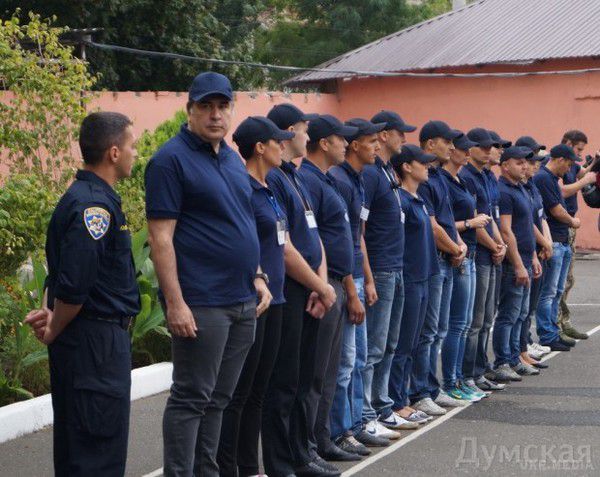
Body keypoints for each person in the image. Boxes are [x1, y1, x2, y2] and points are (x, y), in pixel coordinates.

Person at [145, 72, 272, 477]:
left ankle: (207, 471)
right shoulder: (169, 160)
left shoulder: (232, 159)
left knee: (219, 398)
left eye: (222, 106)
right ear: (190, 110)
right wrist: (176, 303)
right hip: (202, 302)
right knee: (190, 398)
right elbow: (161, 237)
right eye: (206, 106)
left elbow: (243, 222)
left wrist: (256, 274)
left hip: (241, 299)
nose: (215, 115)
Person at [25, 112, 141, 476]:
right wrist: (54, 328)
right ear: (113, 152)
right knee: (96, 450)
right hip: (95, 345)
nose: (135, 153)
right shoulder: (94, 208)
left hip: (92, 341)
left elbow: (61, 272)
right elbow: (74, 288)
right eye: (132, 145)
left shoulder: (86, 198)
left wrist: (51, 313)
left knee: (85, 445)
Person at [262, 106, 339, 477]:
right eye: (306, 130)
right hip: (292, 292)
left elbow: (314, 236)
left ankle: (302, 452)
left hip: (310, 289)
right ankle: (282, 463)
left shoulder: (295, 176)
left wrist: (321, 282)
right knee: (285, 383)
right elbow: (285, 244)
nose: (308, 138)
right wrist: (318, 284)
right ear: (291, 131)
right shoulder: (275, 177)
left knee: (306, 378)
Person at [217, 116, 294, 477]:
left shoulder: (269, 188)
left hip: (277, 299)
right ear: (260, 147)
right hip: (254, 301)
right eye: (277, 141)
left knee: (259, 391)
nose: (284, 146)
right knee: (240, 392)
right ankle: (228, 467)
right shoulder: (244, 189)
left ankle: (250, 466)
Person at [328, 119, 384, 457]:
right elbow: (338, 241)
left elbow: (357, 237)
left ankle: (355, 424)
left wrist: (369, 278)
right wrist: (352, 288)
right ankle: (340, 431)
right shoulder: (339, 182)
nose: (376, 147)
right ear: (354, 146)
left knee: (359, 357)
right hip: (345, 279)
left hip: (359, 277)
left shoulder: (358, 179)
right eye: (371, 142)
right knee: (346, 361)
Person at [358, 110, 412, 444]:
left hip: (396, 266)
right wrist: (367, 277)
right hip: (379, 267)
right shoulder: (370, 175)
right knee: (374, 347)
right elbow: (359, 228)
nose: (403, 138)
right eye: (399, 133)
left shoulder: (386, 171)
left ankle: (381, 404)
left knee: (389, 344)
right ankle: (366, 413)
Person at [410, 120, 467, 416]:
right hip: (433, 263)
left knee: (440, 329)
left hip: (446, 261)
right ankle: (421, 392)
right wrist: (455, 246)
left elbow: (446, 220)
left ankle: (433, 388)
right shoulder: (425, 179)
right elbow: (432, 227)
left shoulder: (439, 177)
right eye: (447, 142)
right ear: (430, 144)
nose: (452, 147)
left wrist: (459, 244)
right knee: (428, 332)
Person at [388, 144, 440, 424]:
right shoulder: (402, 200)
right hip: (409, 279)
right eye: (422, 162)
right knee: (402, 345)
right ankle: (396, 402)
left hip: (423, 278)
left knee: (413, 343)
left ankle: (403, 398)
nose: (428, 167)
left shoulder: (417, 199)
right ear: (407, 166)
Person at [440, 130, 492, 402]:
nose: (467, 151)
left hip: (467, 252)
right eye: (463, 147)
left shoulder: (460, 180)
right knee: (456, 324)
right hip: (458, 255)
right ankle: (450, 381)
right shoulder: (445, 181)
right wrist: (470, 225)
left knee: (463, 323)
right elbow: (444, 223)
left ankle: (459, 378)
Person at [459, 129, 507, 394]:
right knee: (475, 320)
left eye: (493, 147)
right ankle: (469, 374)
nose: (490, 150)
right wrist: (494, 245)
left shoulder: (487, 176)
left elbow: (491, 218)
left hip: (492, 253)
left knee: (487, 317)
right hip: (480, 254)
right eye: (485, 146)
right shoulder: (467, 177)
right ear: (471, 148)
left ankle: (480, 368)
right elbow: (475, 222)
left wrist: (500, 244)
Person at [489, 146, 542, 382]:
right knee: (508, 314)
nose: (524, 167)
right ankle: (503, 361)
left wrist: (532, 258)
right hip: (513, 261)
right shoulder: (504, 191)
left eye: (525, 163)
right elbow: (506, 230)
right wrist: (519, 264)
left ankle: (515, 356)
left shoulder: (520, 188)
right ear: (505, 165)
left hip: (525, 258)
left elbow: (528, 225)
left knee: (520, 313)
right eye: (519, 163)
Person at [533, 144, 581, 352]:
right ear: (560, 159)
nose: (569, 170)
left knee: (557, 291)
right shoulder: (544, 178)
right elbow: (556, 211)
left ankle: (553, 331)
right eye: (568, 164)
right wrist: (573, 221)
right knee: (549, 292)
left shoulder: (551, 179)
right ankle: (548, 334)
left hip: (561, 240)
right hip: (554, 240)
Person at [557, 130, 598, 341]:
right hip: (560, 225)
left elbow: (582, 173)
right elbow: (562, 191)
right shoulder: (557, 163)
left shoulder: (572, 164)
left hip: (570, 225)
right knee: (558, 282)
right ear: (568, 144)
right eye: (578, 149)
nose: (580, 154)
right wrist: (585, 181)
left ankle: (564, 322)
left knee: (568, 279)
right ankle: (556, 325)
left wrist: (595, 165)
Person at [519, 146, 553, 371]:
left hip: (537, 249)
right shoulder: (517, 188)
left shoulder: (531, 188)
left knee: (527, 307)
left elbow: (541, 218)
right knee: (517, 311)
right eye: (531, 162)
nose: (535, 166)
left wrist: (546, 243)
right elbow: (527, 224)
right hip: (526, 252)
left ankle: (524, 346)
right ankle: (518, 351)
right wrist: (542, 243)